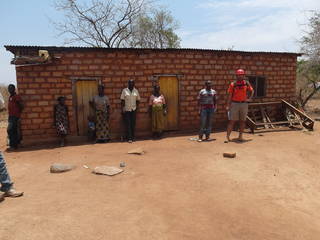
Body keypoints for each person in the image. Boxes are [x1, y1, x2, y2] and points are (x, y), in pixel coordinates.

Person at [0, 96, 23, 201]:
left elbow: (1, 107)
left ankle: (7, 187)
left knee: (0, 162)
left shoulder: (15, 97)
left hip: (14, 117)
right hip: (12, 117)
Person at [226, 69, 254, 142]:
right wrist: (228, 105)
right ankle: (228, 137)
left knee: (242, 121)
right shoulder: (233, 84)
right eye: (238, 75)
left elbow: (252, 91)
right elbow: (230, 95)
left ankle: (240, 136)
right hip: (234, 104)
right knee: (232, 121)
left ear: (243, 75)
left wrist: (249, 98)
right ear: (236, 76)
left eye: (241, 75)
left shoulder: (246, 83)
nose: (240, 76)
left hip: (244, 104)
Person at [7, 84, 23, 150]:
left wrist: (18, 114)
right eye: (9, 88)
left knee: (10, 130)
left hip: (15, 116)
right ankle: (14, 145)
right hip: (11, 116)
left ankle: (13, 145)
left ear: (14, 89)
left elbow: (21, 106)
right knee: (13, 131)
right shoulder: (11, 97)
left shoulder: (16, 96)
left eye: (11, 88)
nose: (10, 89)